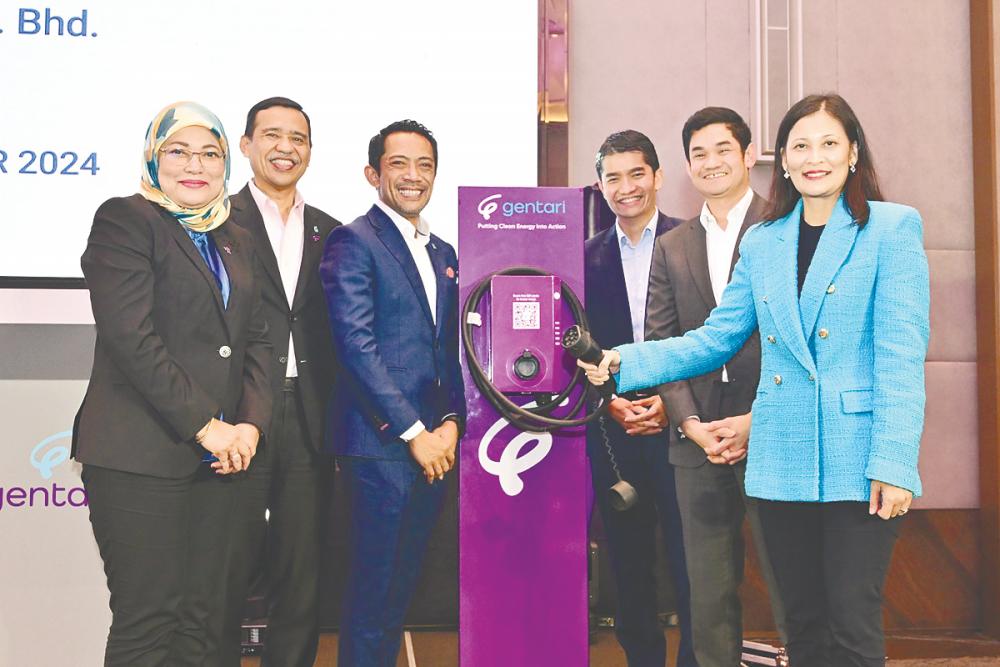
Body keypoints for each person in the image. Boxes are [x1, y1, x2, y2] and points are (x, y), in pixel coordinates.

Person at [581, 93, 929, 667]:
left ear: (852, 152)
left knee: (852, 623)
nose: (813, 156)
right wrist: (626, 361)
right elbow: (716, 337)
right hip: (780, 458)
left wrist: (894, 463)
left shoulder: (890, 228)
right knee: (802, 626)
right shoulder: (765, 240)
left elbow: (900, 356)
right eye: (800, 145)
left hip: (858, 462)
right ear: (782, 161)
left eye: (828, 143)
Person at [72, 101, 272, 666]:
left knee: (206, 623)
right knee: (149, 620)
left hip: (224, 462)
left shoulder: (236, 235)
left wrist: (250, 427)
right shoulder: (125, 221)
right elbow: (131, 340)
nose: (196, 165)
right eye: (178, 151)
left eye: (210, 153)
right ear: (153, 157)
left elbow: (259, 339)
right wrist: (208, 427)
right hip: (140, 456)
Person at [319, 119, 465, 667]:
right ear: (373, 173)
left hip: (434, 448)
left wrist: (450, 423)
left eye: (424, 165)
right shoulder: (353, 241)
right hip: (382, 448)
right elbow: (355, 347)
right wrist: (414, 432)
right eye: (399, 164)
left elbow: (446, 349)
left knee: (401, 588)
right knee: (371, 594)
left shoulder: (443, 250)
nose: (412, 176)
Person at [644, 107, 786, 666]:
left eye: (723, 149)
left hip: (773, 424)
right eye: (698, 153)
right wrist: (691, 424)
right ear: (686, 166)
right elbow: (662, 344)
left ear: (748, 155)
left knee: (790, 585)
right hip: (697, 435)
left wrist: (757, 421)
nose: (711, 162)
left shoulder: (785, 227)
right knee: (707, 597)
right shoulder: (672, 246)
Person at [222, 97, 341, 667]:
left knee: (302, 569)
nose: (285, 147)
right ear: (245, 145)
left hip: (310, 415)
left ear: (311, 152)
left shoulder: (331, 231)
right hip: (235, 414)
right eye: (271, 135)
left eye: (298, 138)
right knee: (225, 564)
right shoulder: (215, 219)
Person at [585, 129, 696, 667]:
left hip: (685, 427)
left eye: (636, 174)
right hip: (613, 432)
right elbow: (572, 345)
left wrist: (671, 405)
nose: (625, 187)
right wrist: (609, 401)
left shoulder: (689, 242)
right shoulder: (582, 257)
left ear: (656, 176)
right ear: (600, 184)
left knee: (692, 560)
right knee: (627, 565)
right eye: (613, 177)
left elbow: (712, 337)